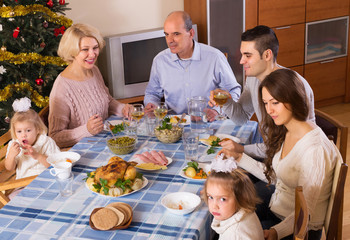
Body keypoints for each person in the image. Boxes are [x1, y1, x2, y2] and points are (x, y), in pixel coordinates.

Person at [219, 69, 340, 240]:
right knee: (227, 216)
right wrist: (239, 157)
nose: (269, 110)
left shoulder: (314, 149)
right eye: (265, 103)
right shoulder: (289, 131)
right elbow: (277, 176)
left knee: (231, 230)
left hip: (298, 231)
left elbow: (306, 213)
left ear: (294, 99)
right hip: (279, 210)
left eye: (274, 103)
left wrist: (276, 232)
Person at [209, 25, 315, 158]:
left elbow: (284, 147)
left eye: (248, 55)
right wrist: (226, 101)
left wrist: (242, 149)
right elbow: (241, 117)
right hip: (271, 154)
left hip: (289, 163)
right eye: (242, 54)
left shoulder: (291, 86)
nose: (241, 61)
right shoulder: (253, 79)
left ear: (267, 55)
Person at [144, 11, 241, 119]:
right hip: (173, 126)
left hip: (208, 123)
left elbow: (234, 90)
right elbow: (152, 93)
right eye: (167, 34)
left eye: (176, 34)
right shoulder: (160, 61)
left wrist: (216, 111)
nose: (170, 40)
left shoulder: (215, 57)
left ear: (191, 33)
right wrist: (152, 104)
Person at [49, 23, 132, 148]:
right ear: (72, 52)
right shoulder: (62, 87)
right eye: (85, 49)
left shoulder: (94, 71)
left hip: (106, 141)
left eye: (95, 48)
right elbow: (54, 137)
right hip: (84, 151)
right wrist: (86, 130)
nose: (92, 54)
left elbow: (107, 101)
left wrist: (122, 109)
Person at [203, 155, 264, 240]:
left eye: (222, 199)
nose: (214, 206)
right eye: (210, 197)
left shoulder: (235, 235)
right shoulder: (242, 211)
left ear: (240, 197)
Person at [5, 97, 60, 181]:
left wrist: (38, 156)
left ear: (38, 129)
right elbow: (9, 168)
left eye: (28, 130)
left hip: (47, 180)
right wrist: (11, 155)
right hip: (23, 184)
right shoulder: (14, 145)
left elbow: (56, 164)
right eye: (19, 131)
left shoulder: (46, 142)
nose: (23, 135)